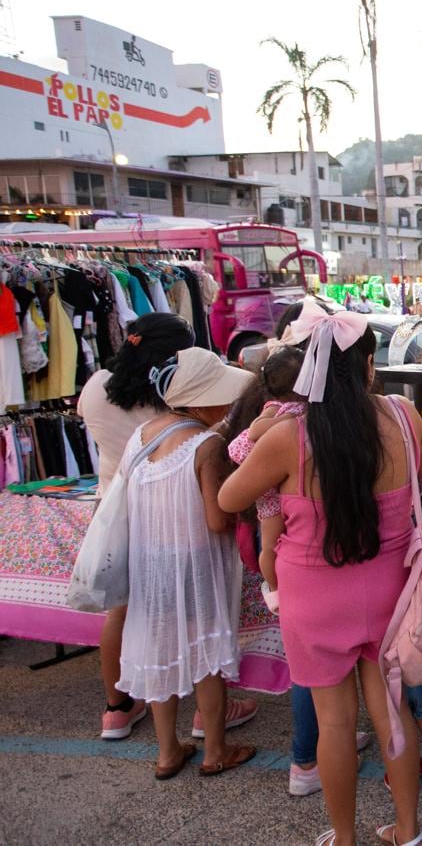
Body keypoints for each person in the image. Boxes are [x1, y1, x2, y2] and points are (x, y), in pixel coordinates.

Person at [218, 302, 422, 846]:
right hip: (389, 590)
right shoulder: (402, 417)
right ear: (368, 366)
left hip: (313, 599)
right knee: (392, 714)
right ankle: (407, 831)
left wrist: (264, 427)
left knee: (336, 725)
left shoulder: (288, 435)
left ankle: (344, 837)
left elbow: (229, 496)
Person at [77, 313, 258, 742]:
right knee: (202, 636)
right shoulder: (195, 427)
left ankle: (131, 720)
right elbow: (216, 515)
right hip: (188, 530)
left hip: (127, 518)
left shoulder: (105, 397)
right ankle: (211, 734)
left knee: (141, 626)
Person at [117, 347, 258, 779]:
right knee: (205, 657)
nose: (228, 404)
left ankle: (166, 753)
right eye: (221, 395)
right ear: (199, 401)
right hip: (196, 564)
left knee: (163, 647)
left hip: (150, 563)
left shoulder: (142, 435)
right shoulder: (208, 444)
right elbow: (218, 521)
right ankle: (215, 751)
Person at [226, 347, 307, 611]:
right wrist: (287, 420)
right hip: (266, 484)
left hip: (283, 477)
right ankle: (275, 590)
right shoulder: (274, 408)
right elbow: (255, 431)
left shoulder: (306, 405)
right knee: (270, 543)